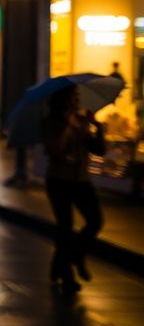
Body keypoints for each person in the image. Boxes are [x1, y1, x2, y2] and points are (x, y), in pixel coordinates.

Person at [42, 86, 105, 295]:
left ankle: (70, 257)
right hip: (59, 180)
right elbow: (55, 151)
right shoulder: (51, 122)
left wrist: (98, 128)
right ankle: (67, 275)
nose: (77, 100)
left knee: (95, 220)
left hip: (81, 180)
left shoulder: (82, 120)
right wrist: (67, 127)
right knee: (65, 225)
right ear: (64, 99)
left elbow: (99, 150)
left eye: (78, 96)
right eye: (73, 96)